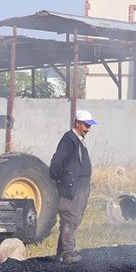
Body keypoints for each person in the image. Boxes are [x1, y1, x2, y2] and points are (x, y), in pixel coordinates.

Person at [49, 109, 97, 264]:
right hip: (72, 186)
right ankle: (68, 254)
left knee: (72, 218)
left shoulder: (78, 140)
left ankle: (60, 254)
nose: (88, 129)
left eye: (89, 125)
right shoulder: (69, 139)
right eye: (86, 125)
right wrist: (60, 179)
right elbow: (57, 162)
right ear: (77, 123)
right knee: (71, 217)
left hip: (81, 186)